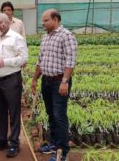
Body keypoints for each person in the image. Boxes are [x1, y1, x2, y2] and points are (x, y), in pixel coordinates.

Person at [31, 9, 77, 161]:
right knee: (51, 114)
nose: (43, 23)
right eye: (42, 21)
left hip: (59, 81)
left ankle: (63, 151)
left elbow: (71, 61)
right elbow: (40, 60)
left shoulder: (66, 36)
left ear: (55, 19)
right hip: (47, 81)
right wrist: (35, 79)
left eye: (46, 20)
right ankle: (54, 143)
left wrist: (64, 82)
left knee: (59, 116)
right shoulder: (45, 37)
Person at [0, 13, 28, 158]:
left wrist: (6, 62)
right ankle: (1, 141)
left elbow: (23, 58)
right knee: (0, 111)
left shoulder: (17, 38)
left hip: (11, 80)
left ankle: (14, 143)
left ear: (7, 22)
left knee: (14, 112)